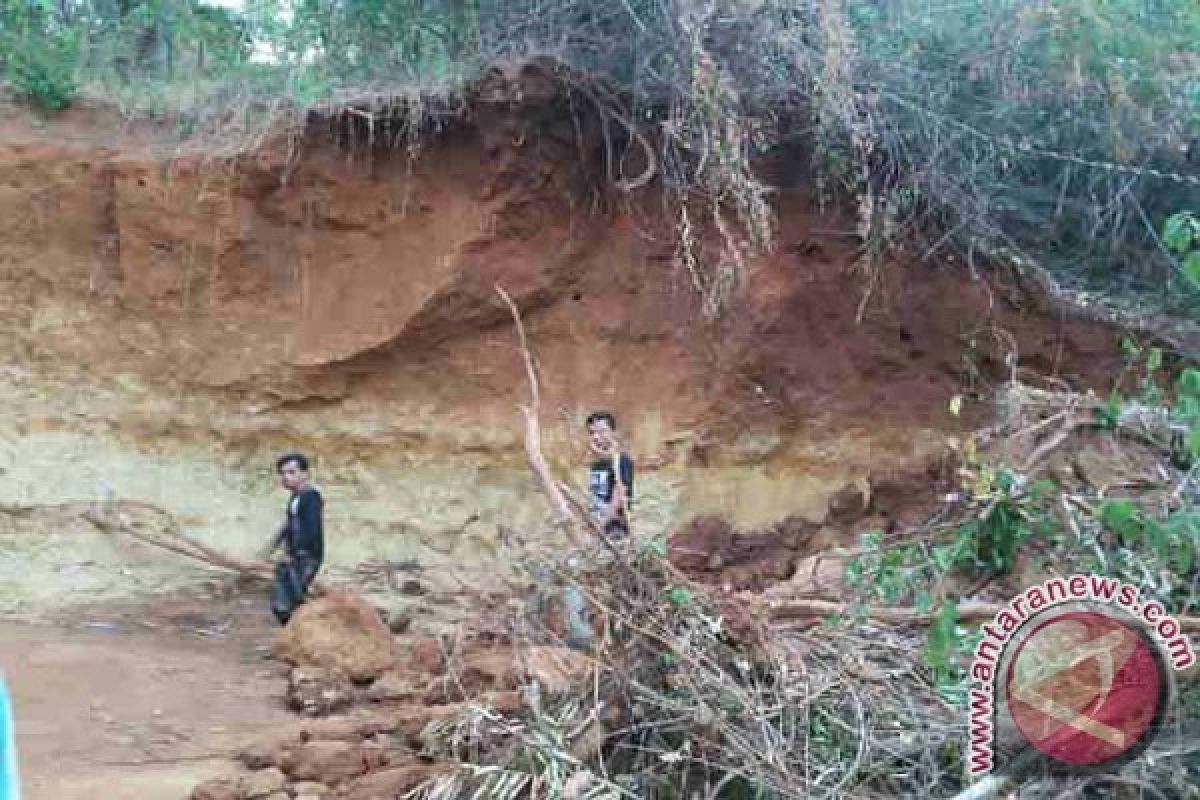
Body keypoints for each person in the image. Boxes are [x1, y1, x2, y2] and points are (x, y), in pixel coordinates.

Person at [265, 453, 324, 625]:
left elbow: (311, 530)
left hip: (305, 557)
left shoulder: (311, 497)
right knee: (283, 599)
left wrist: (298, 553)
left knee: (293, 601)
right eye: (283, 473)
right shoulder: (296, 498)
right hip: (295, 556)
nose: (286, 477)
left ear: (305, 474)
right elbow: (291, 528)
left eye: (291, 472)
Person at [585, 411, 634, 538]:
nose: (596, 437)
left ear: (613, 433)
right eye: (592, 433)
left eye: (602, 431)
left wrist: (602, 523)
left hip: (614, 529)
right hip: (597, 526)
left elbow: (620, 492)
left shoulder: (621, 460)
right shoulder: (597, 464)